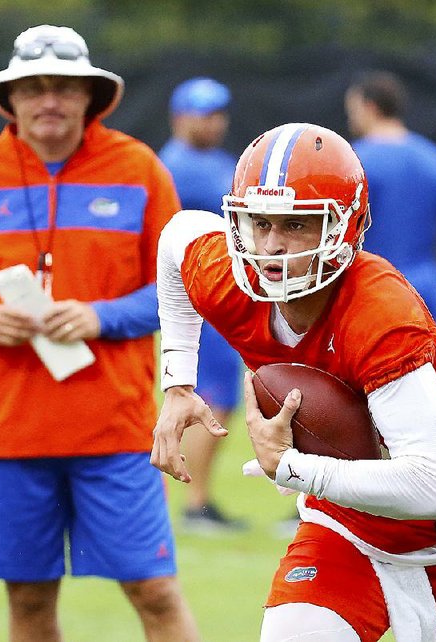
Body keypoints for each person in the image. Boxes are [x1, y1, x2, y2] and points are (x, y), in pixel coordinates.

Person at [150, 123, 436, 640]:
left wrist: (291, 467)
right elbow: (175, 237)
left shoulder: (378, 310)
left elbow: (433, 487)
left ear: (344, 228)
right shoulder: (230, 280)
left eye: (296, 225)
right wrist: (178, 383)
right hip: (347, 532)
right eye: (259, 222)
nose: (272, 248)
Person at [0, 25, 199, 642]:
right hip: (5, 431)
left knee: (156, 591)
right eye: (33, 88)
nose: (49, 101)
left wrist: (102, 316)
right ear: (8, 99)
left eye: (65, 87)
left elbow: (182, 288)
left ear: (90, 97)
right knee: (30, 603)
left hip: (115, 429)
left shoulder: (139, 169)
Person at [158, 77, 247, 534]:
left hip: (225, 296)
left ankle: (200, 500)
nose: (211, 123)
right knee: (208, 397)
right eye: (201, 114)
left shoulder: (220, 162)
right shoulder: (171, 167)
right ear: (179, 118)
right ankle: (195, 503)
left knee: (221, 398)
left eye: (217, 113)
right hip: (199, 301)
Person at [345, 70, 436, 336]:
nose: (349, 118)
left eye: (352, 110)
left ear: (370, 107)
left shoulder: (350, 161)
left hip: (366, 289)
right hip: (423, 292)